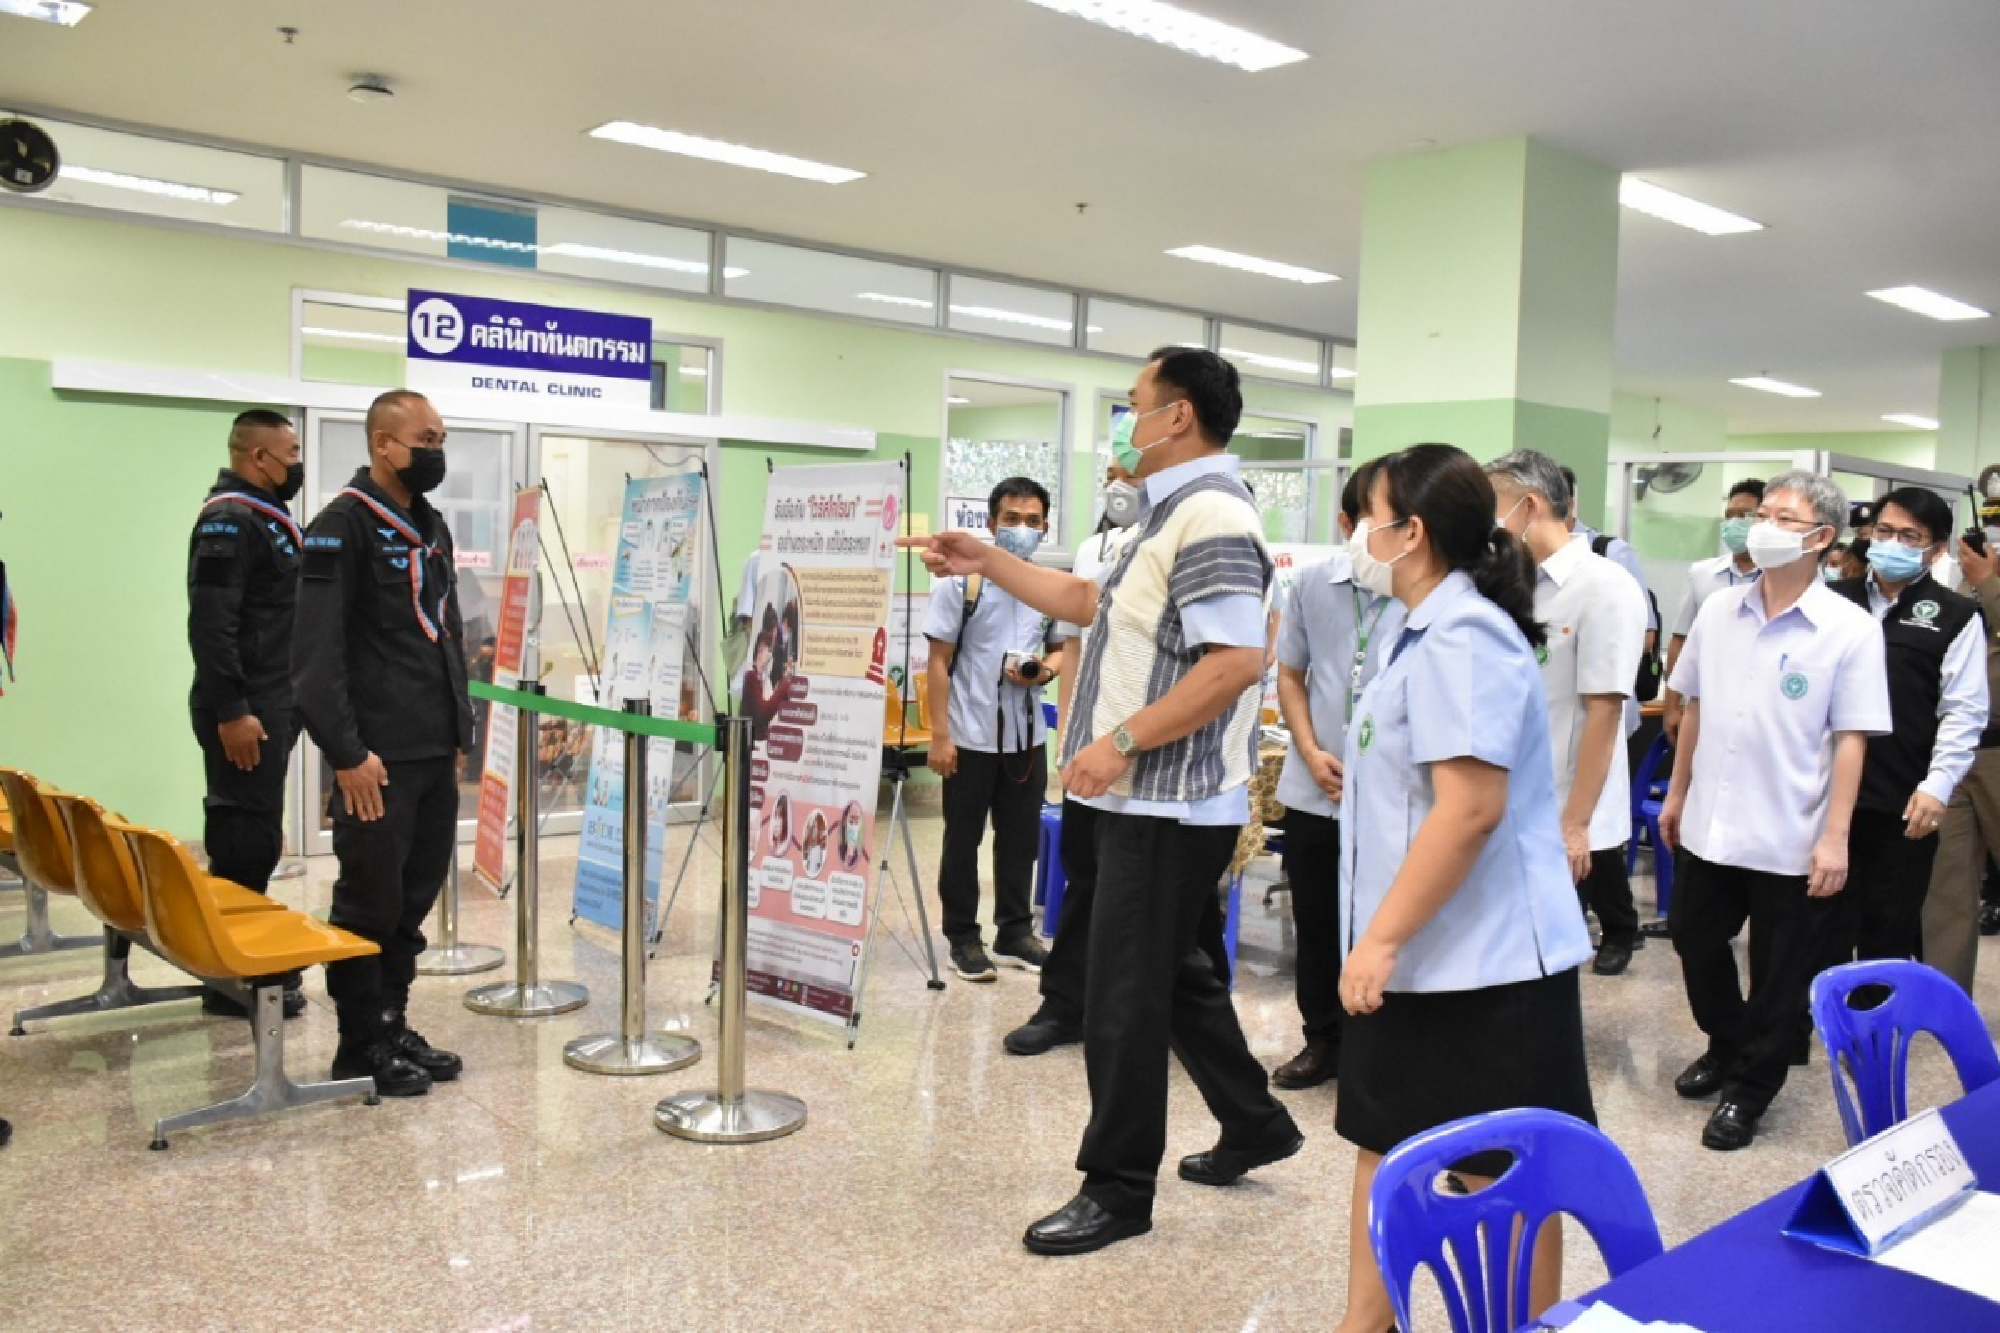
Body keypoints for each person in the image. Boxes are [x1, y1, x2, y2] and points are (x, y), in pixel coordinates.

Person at [906, 347, 1299, 1257]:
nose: (1123, 421)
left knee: (1123, 995)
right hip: (1130, 798)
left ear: (1180, 417)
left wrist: (1121, 742)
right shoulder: (1154, 517)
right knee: (1176, 973)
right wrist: (991, 559)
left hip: (1163, 800)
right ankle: (1254, 1122)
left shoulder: (1211, 517)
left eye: (1133, 405)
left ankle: (1118, 1187)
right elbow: (1087, 600)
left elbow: (1235, 661)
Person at [1331, 444, 1596, 1333]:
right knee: (1386, 1146)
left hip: (1486, 969)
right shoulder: (1413, 631)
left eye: (1368, 514)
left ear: (1411, 533)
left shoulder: (1466, 636)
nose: (1356, 532)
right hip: (1418, 955)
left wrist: (1381, 938)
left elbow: (1470, 810)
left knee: (1505, 1172)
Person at [1658, 470, 1890, 1151]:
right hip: (1709, 821)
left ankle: (1753, 1087)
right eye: (1762, 512)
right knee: (1695, 942)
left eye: (1783, 518)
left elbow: (1852, 739)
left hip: (1792, 828)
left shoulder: (1847, 629)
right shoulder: (1717, 611)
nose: (1762, 526)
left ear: (1821, 538)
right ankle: (1726, 1043)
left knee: (1781, 973)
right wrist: (1676, 793)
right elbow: (1692, 707)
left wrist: (1836, 837)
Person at [295, 388, 472, 1098]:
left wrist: (458, 734)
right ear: (383, 444)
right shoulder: (341, 526)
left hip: (431, 750)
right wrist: (344, 753)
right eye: (426, 438)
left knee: (411, 897)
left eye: (441, 437)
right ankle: (357, 1040)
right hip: (374, 756)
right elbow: (313, 656)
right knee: (368, 899)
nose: (437, 450)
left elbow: (445, 633)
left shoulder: (428, 524)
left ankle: (392, 1017)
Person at [1263, 465, 1406, 1090]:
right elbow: (1290, 674)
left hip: (1392, 798)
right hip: (1313, 787)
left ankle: (1385, 1048)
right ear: (1347, 524)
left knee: (1386, 924)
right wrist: (1311, 748)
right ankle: (1322, 1039)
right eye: (1370, 519)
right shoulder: (1314, 584)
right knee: (1318, 922)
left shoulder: (1425, 593)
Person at [1491, 452, 1650, 976]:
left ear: (1529, 504)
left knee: (1544, 960)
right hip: (1510, 795)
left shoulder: (1604, 585)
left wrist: (1576, 824)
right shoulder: (1513, 580)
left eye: (1493, 505)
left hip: (1563, 805)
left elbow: (1604, 713)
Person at [1002, 460, 1142, 1056]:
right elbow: (1075, 651)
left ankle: (1150, 1017)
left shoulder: (1197, 539)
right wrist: (1073, 740)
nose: (1119, 480)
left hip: (1157, 756)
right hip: (1093, 753)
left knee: (1163, 902)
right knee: (1084, 880)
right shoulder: (1092, 552)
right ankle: (1066, 1005)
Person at [1821, 488, 1985, 970]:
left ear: (1936, 550)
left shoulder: (1955, 616)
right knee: (1817, 927)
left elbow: (1963, 710)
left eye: (1909, 536)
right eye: (1885, 531)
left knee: (1886, 932)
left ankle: (1875, 1040)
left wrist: (1938, 786)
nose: (1892, 542)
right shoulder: (1832, 600)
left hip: (1902, 800)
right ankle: (1801, 1035)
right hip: (1823, 794)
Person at [187, 408, 308, 1018]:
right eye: (290, 453)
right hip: (245, 710)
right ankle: (232, 979)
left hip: (268, 702)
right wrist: (233, 709)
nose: (296, 464)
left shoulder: (266, 517)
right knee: (241, 839)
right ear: (259, 457)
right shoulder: (232, 521)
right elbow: (212, 624)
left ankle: (242, 960)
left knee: (257, 835)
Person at [924, 477, 1067, 982]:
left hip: (1026, 736)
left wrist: (1044, 670)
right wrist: (939, 736)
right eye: (1011, 519)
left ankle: (1014, 932)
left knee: (1020, 838)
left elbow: (1060, 649)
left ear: (1045, 526)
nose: (1022, 529)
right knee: (962, 841)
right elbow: (937, 663)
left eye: (1032, 521)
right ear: (990, 523)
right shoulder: (959, 584)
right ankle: (962, 938)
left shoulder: (1047, 587)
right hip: (969, 734)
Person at [1927, 476, 2000, 989]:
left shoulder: (1984, 582)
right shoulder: (1964, 584)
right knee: (1946, 892)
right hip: (1956, 751)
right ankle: (1944, 1000)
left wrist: (1989, 583)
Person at [1663, 478, 1766, 741]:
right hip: (1704, 703)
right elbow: (1680, 640)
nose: (1734, 523)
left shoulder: (1780, 578)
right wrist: (1671, 705)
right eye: (1729, 516)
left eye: (1745, 516)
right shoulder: (1703, 573)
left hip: (1761, 706)